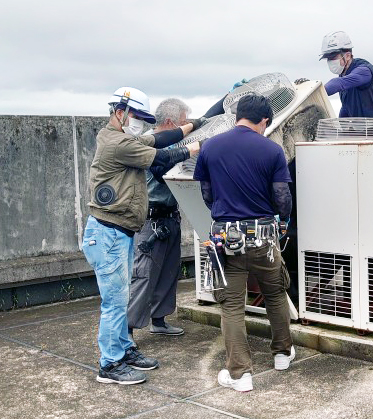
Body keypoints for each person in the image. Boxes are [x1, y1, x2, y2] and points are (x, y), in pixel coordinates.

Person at [81, 87, 206, 385]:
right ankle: (109, 365)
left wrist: (197, 124)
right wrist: (196, 145)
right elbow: (163, 154)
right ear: (120, 112)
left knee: (120, 297)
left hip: (119, 231)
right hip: (108, 232)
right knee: (114, 302)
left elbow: (160, 137)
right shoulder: (119, 144)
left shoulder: (122, 138)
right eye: (138, 116)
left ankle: (123, 350)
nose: (142, 122)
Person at [193, 94, 294, 392]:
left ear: (239, 115)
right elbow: (282, 198)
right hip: (264, 238)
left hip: (227, 239)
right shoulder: (272, 150)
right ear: (264, 120)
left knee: (233, 305)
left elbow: (207, 194)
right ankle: (282, 354)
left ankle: (240, 374)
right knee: (275, 293)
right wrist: (283, 222)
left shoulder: (210, 147)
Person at [127, 98, 194, 344]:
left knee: (168, 272)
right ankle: (128, 330)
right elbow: (160, 167)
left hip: (170, 217)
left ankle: (159, 320)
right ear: (170, 122)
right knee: (144, 275)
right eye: (184, 123)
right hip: (151, 220)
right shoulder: (147, 144)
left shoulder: (174, 143)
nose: (187, 128)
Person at [319, 30, 373, 118]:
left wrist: (315, 92)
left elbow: (338, 83)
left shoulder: (363, 71)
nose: (330, 61)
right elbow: (346, 108)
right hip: (369, 127)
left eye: (333, 57)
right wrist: (340, 127)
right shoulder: (344, 77)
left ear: (347, 56)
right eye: (328, 59)